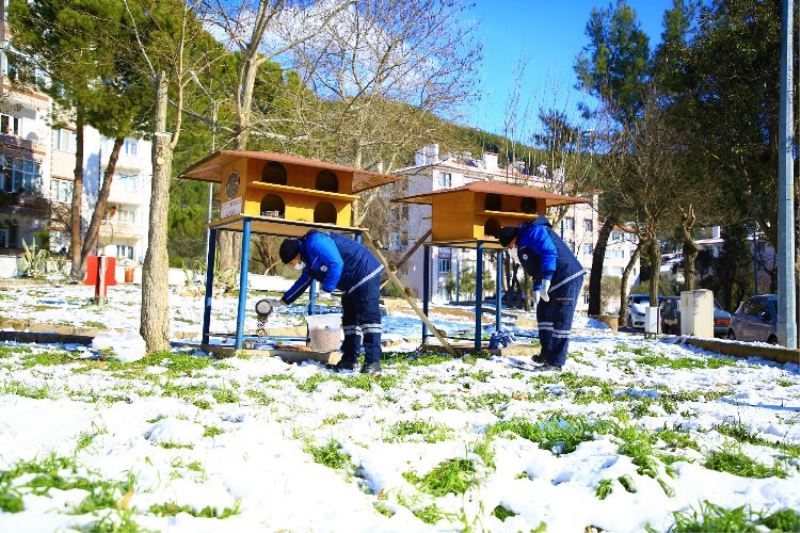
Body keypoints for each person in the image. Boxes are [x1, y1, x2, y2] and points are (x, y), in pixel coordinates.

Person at [269, 230, 384, 374]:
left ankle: (373, 362)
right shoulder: (308, 260)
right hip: (350, 283)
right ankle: (349, 360)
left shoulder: (315, 241)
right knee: (350, 322)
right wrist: (283, 301)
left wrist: (327, 288)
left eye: (293, 262)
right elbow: (303, 282)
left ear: (296, 254)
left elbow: (336, 263)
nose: (295, 266)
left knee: (369, 320)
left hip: (365, 272)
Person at [498, 215, 585, 370]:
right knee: (543, 313)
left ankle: (556, 362)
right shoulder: (523, 244)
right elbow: (535, 268)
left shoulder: (534, 232)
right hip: (554, 280)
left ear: (513, 240)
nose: (510, 249)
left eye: (510, 246)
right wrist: (539, 287)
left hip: (567, 276)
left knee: (561, 319)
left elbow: (549, 252)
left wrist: (546, 279)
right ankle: (547, 353)